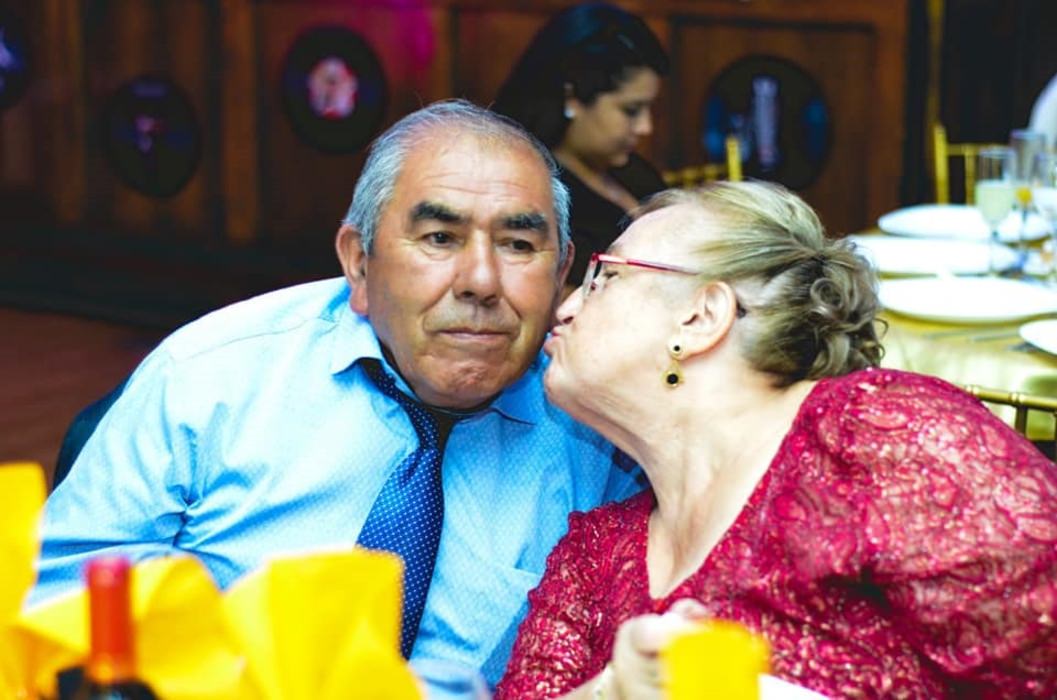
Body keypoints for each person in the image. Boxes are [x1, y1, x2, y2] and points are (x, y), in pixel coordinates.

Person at [32, 99, 643, 689]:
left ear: (561, 272)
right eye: (439, 237)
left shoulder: (598, 435)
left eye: (518, 245)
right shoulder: (211, 378)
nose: (481, 281)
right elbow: (60, 603)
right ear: (358, 262)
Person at [496, 181, 1057, 699]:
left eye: (605, 276)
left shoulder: (876, 438)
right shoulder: (594, 555)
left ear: (701, 317)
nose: (565, 306)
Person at [494, 2, 670, 292]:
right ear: (573, 96)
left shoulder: (633, 172)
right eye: (631, 110)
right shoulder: (534, 193)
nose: (645, 127)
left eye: (650, 108)